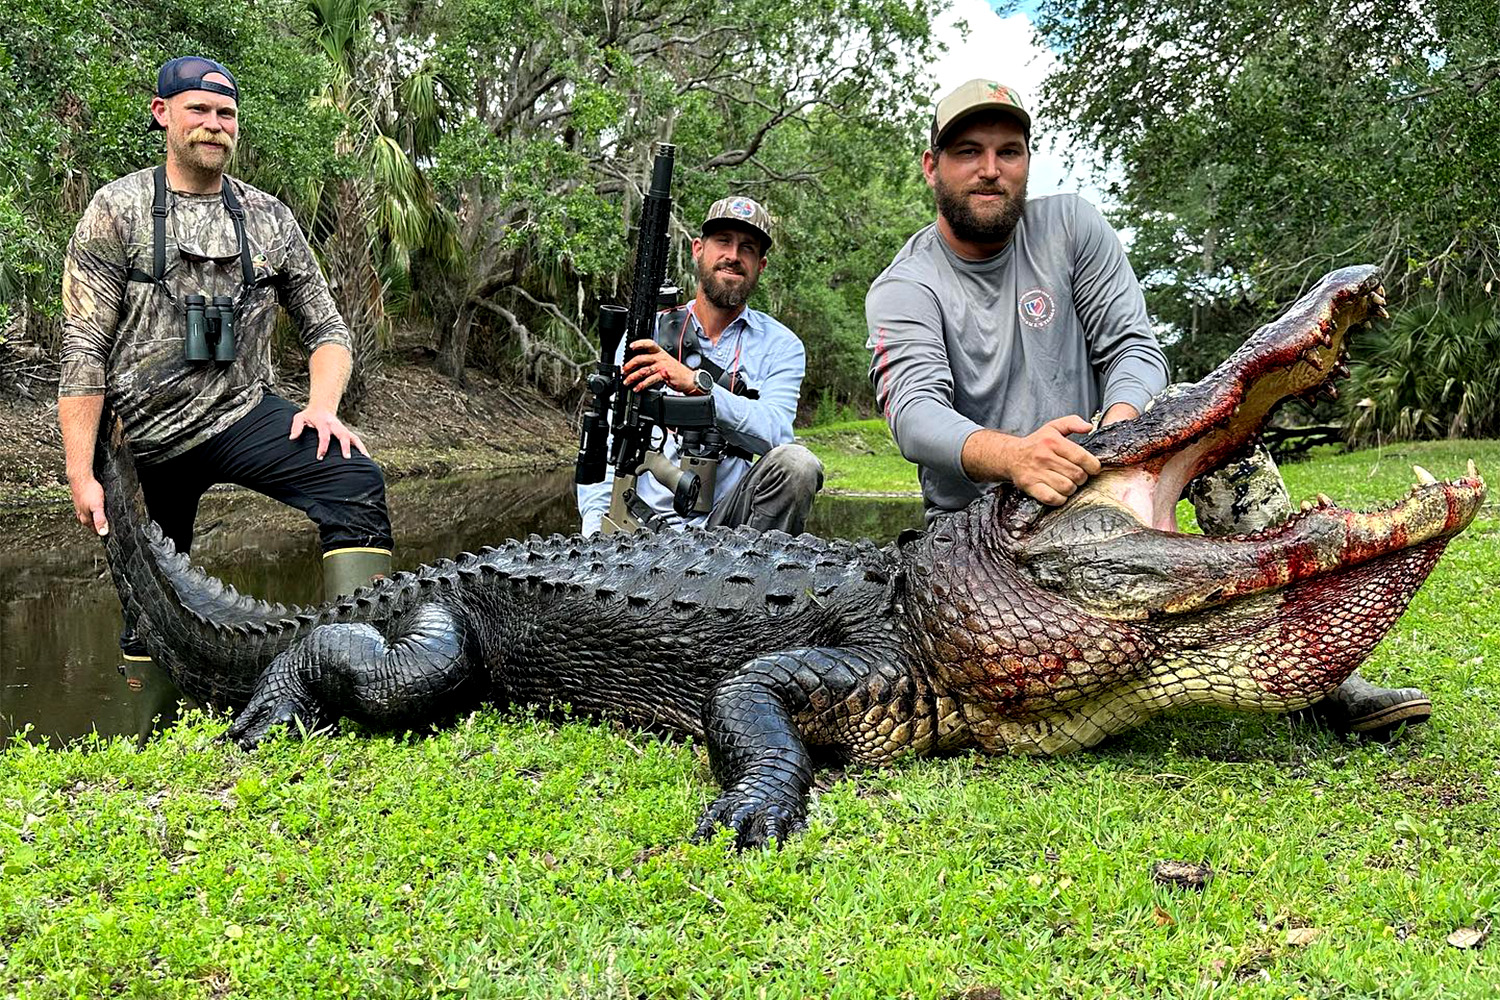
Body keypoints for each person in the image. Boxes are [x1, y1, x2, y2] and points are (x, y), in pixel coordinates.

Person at [864, 78, 1430, 741]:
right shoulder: (904, 287)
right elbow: (915, 412)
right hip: (982, 531)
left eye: (1008, 151)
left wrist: (1125, 423)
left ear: (1027, 161)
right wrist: (1016, 456)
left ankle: (1320, 671)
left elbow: (1133, 347)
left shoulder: (1071, 226)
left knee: (1212, 428)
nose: (990, 170)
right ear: (933, 165)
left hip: (1097, 476)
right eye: (968, 151)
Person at [58, 56, 394, 741]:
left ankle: (355, 682)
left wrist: (323, 406)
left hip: (242, 414)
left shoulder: (269, 217)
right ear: (164, 115)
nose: (215, 126)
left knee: (355, 479)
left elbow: (327, 326)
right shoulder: (116, 210)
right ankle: (148, 735)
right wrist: (81, 470)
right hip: (141, 436)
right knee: (150, 587)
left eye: (226, 114)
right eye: (200, 111)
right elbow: (83, 349)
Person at [576, 196, 822, 536]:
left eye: (747, 248)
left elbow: (777, 435)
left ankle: (756, 578)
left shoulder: (781, 346)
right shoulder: (645, 333)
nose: (733, 256)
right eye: (723, 241)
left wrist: (696, 385)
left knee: (798, 465)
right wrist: (595, 532)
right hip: (638, 528)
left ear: (760, 266)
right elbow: (608, 441)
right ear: (697, 250)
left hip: (730, 532)